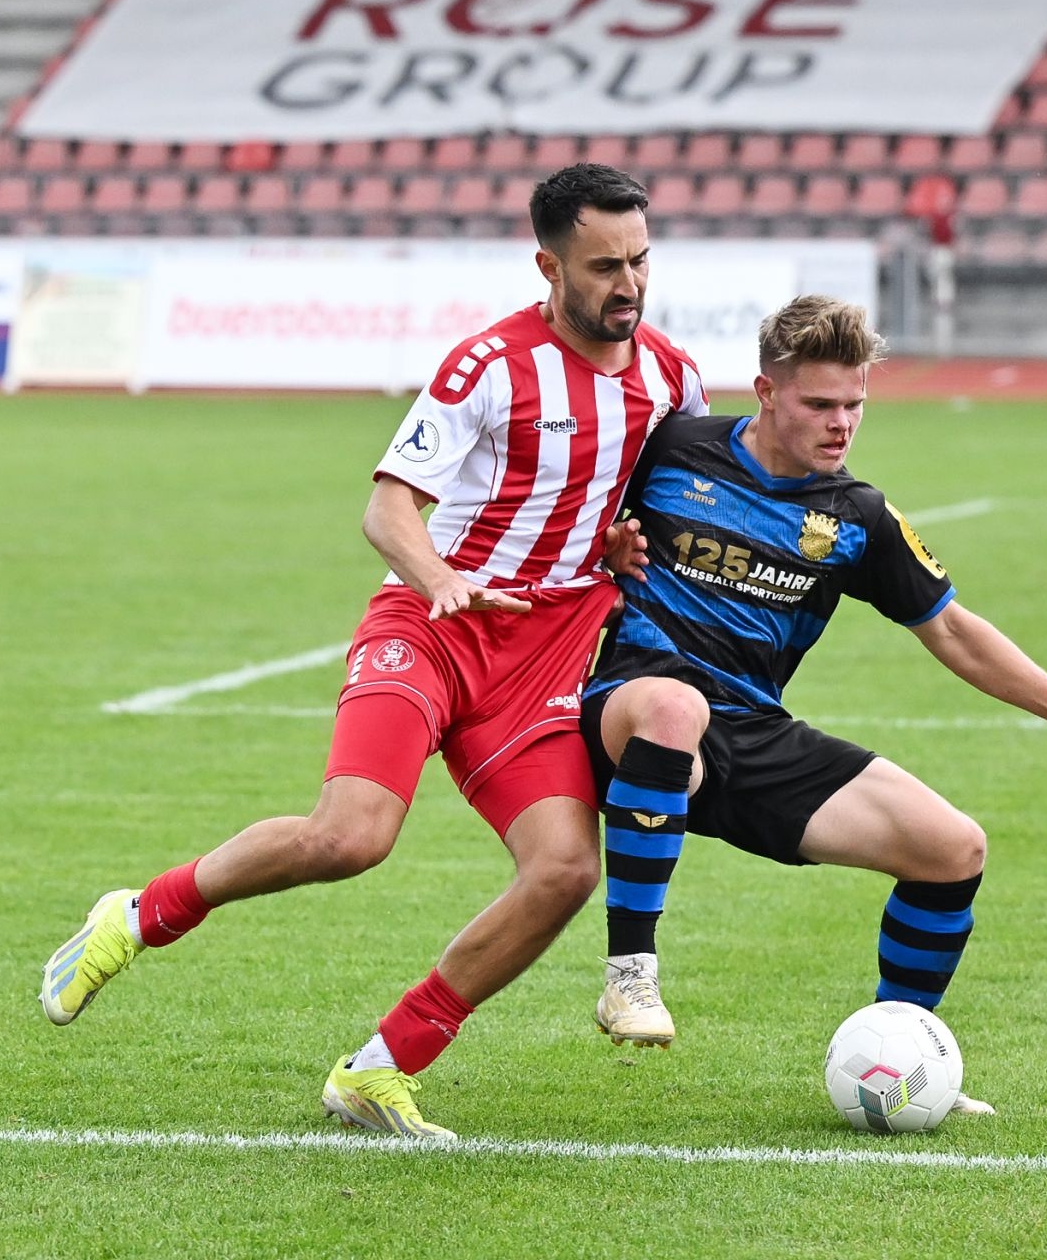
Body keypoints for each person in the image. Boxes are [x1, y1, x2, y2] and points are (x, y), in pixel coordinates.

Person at [40, 164, 707, 1139]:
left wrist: (619, 538)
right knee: (350, 837)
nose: (630, 284)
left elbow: (656, 496)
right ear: (549, 266)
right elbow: (388, 508)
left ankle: (381, 1067)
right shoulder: (489, 366)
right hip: (431, 629)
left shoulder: (672, 377)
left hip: (543, 662)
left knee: (564, 871)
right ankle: (139, 914)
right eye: (605, 266)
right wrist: (439, 575)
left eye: (641, 260)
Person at [580, 294, 1047, 1112]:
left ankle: (902, 1054)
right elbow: (562, 516)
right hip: (633, 709)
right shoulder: (672, 450)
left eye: (854, 404)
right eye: (820, 403)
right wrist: (602, 550)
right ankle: (629, 975)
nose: (841, 423)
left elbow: (952, 630)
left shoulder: (856, 515)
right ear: (766, 391)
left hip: (751, 728)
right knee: (675, 709)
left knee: (952, 847)